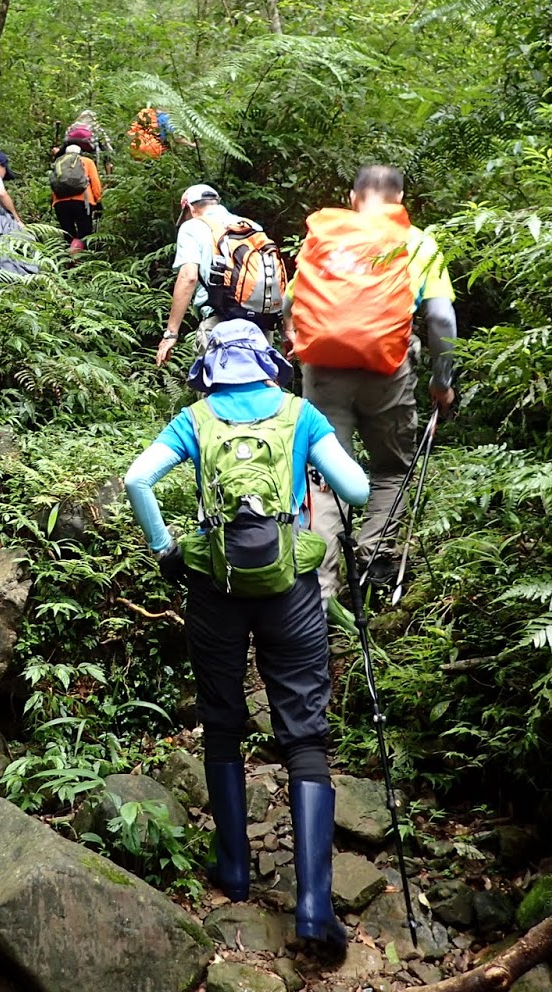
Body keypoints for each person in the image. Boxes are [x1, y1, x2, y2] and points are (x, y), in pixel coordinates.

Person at [123, 320, 368, 950]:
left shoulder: (196, 418)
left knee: (222, 719)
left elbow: (137, 480)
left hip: (215, 587)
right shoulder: (300, 413)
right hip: (291, 589)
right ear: (265, 364)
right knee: (304, 733)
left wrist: (167, 551)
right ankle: (314, 907)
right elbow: (359, 489)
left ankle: (234, 872)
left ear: (210, 368)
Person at [285, 164, 456, 603]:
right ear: (400, 199)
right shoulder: (416, 241)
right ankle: (374, 561)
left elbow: (289, 301)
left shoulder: (325, 238)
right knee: (392, 468)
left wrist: (294, 337)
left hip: (323, 370)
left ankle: (318, 592)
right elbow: (440, 318)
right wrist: (442, 381)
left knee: (324, 474)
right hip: (388, 369)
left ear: (352, 198)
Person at [155, 184, 270, 367]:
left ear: (191, 208)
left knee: (216, 383)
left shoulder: (191, 227)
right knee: (261, 379)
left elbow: (189, 277)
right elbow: (271, 275)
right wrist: (287, 329)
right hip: (260, 323)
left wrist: (171, 333)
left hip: (219, 322)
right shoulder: (251, 226)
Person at [48, 143, 101, 252]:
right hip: (83, 201)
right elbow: (95, 183)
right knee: (85, 233)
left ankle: (70, 257)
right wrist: (98, 201)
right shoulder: (87, 161)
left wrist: (53, 201)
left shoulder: (59, 162)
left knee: (68, 233)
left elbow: (54, 183)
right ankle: (83, 257)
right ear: (80, 153)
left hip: (60, 202)